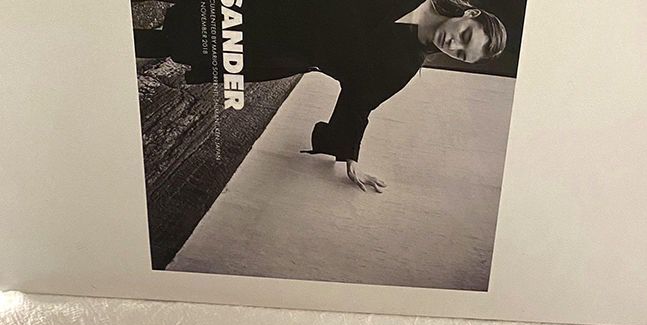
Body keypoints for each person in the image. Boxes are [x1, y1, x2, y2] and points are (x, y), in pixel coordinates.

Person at [134, 0, 507, 192]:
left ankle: (114, 38)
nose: (452, 44)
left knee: (184, 42)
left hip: (281, 46)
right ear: (470, 13)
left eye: (461, 54)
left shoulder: (404, 65)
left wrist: (349, 155)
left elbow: (360, 101)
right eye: (465, 36)